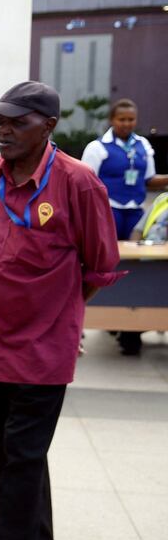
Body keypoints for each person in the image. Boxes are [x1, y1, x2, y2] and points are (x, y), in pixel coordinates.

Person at [0, 81, 123, 540]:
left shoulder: (79, 183)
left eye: (17, 122)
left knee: (22, 458)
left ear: (49, 126)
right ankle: (35, 538)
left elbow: (101, 266)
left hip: (41, 348)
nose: (4, 129)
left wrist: (60, 310)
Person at [81, 99, 168, 355]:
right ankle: (87, 316)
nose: (127, 124)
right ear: (112, 120)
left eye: (131, 119)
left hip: (135, 212)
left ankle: (127, 324)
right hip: (107, 210)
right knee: (100, 263)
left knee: (134, 264)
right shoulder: (98, 148)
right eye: (122, 119)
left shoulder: (142, 146)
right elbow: (85, 181)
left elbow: (150, 180)